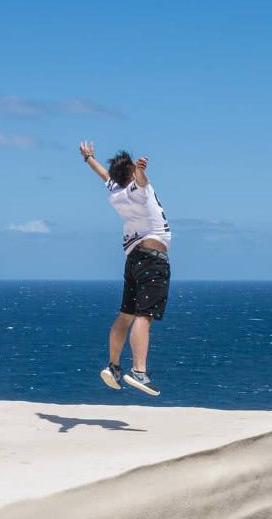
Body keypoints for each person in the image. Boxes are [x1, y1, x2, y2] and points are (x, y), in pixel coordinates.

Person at [79, 140, 172, 396]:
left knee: (126, 315)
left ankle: (114, 367)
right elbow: (141, 182)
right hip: (152, 260)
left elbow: (105, 176)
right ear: (131, 173)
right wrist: (141, 169)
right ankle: (139, 372)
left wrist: (88, 158)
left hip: (133, 260)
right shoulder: (136, 189)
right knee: (144, 316)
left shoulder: (116, 193)